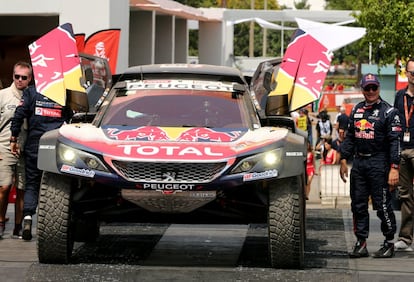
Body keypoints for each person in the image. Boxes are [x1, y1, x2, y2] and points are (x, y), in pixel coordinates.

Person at [339, 73, 401, 258]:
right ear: (362, 89)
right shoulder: (357, 110)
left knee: (382, 205)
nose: (371, 91)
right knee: (358, 205)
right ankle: (361, 242)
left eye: (374, 87)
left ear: (379, 88)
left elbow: (395, 142)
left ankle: (389, 242)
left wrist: (394, 168)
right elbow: (350, 137)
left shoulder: (389, 112)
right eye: (368, 88)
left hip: (379, 162)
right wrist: (343, 159)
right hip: (359, 163)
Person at [10, 86, 73, 241]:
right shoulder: (64, 91)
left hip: (35, 144)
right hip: (56, 145)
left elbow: (19, 114)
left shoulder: (32, 91)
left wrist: (13, 136)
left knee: (32, 184)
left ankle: (28, 218)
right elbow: (71, 116)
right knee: (56, 185)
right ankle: (53, 225)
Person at [0, 61, 31, 238]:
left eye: (24, 77)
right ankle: (1, 221)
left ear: (29, 79)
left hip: (25, 149)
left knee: (22, 189)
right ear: (13, 76)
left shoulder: (32, 96)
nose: (19, 80)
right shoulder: (2, 95)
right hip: (4, 146)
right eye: (16, 76)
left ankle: (18, 227)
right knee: (4, 188)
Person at [393, 57, 414, 251]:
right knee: (405, 195)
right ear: (406, 73)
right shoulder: (400, 96)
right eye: (412, 72)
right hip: (403, 149)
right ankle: (406, 238)